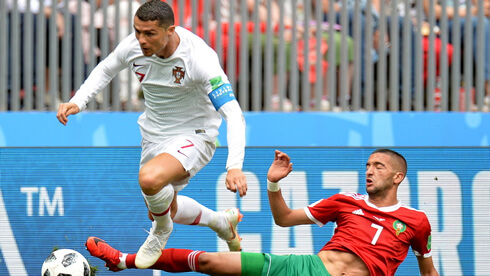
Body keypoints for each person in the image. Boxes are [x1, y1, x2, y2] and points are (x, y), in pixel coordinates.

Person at [56, 0, 247, 269]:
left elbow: (234, 114)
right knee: (166, 205)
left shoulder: (200, 58)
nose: (141, 40)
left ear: (170, 30)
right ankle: (221, 222)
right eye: (137, 32)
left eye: (150, 34)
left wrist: (234, 166)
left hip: (196, 133)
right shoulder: (133, 46)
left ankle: (160, 233)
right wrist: (80, 100)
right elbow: (107, 68)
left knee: (150, 180)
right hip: (153, 134)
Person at [86, 149, 440, 276]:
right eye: (367, 165)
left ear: (397, 176)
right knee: (211, 263)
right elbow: (284, 219)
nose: (369, 171)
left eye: (378, 166)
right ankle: (123, 261)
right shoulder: (345, 201)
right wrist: (273, 185)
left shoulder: (416, 221)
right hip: (309, 269)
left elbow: (428, 271)